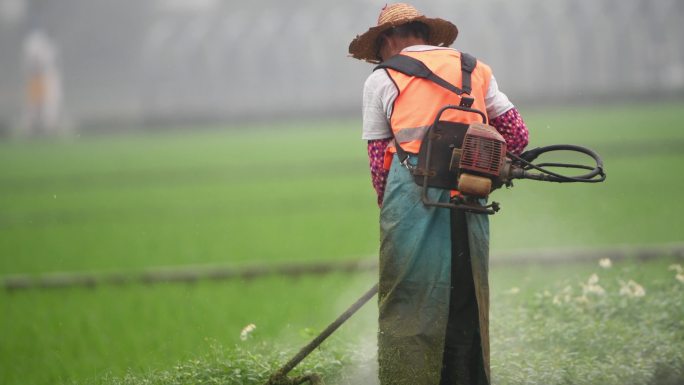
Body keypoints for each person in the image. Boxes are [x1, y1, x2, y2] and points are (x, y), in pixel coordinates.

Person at [348, 4, 529, 385]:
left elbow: (379, 161)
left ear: (387, 41)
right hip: (470, 200)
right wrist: (486, 166)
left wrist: (393, 219)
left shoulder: (382, 78)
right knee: (466, 299)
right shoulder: (475, 69)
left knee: (409, 302)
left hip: (413, 203)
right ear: (427, 34)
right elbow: (517, 135)